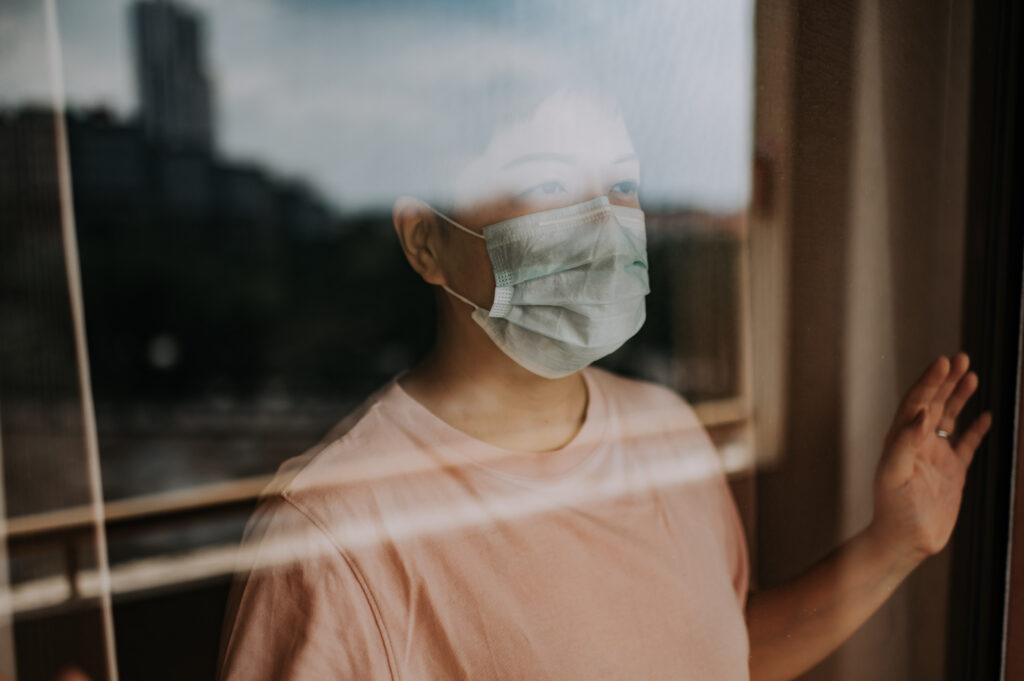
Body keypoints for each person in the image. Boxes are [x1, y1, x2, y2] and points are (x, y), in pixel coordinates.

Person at [216, 89, 992, 681]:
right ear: (426, 242)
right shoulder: (331, 530)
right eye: (550, 184)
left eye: (621, 183)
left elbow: (726, 654)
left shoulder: (665, 429)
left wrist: (896, 545)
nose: (603, 220)